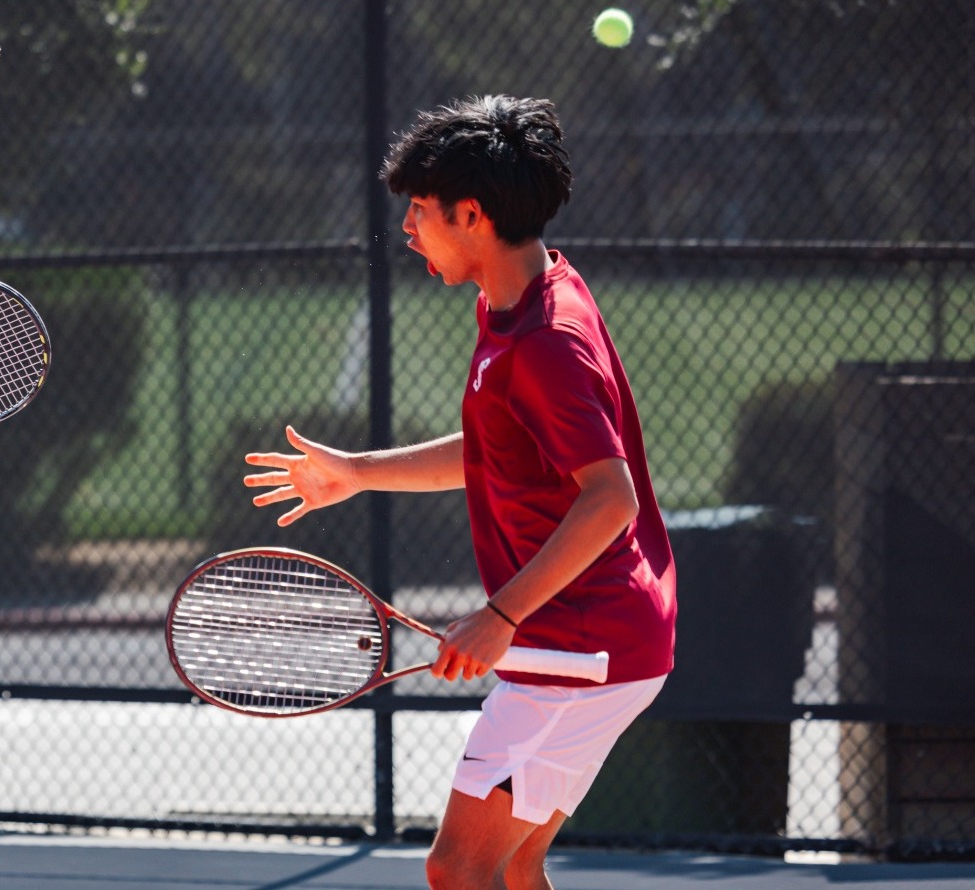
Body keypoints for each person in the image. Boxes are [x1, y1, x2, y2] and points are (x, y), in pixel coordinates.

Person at [243, 96, 676, 890]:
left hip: (577, 645)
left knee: (457, 869)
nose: (406, 229)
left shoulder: (547, 343)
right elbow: (499, 451)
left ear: (470, 214)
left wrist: (502, 614)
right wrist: (357, 471)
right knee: (511, 871)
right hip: (596, 640)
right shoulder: (516, 299)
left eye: (419, 211)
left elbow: (608, 499)